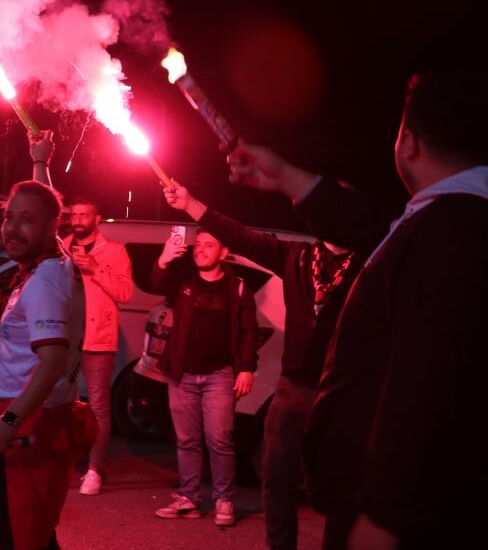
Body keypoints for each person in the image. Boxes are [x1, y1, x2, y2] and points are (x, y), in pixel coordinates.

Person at [227, 73, 488, 549]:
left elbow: (425, 377)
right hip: (448, 497)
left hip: (422, 514)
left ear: (407, 141)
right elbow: (378, 225)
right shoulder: (477, 219)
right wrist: (287, 178)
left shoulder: (450, 232)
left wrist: (385, 512)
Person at [162, 181, 358, 548]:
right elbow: (240, 236)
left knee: (339, 484)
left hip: (345, 391)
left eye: (338, 208)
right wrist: (191, 204)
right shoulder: (297, 257)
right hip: (295, 386)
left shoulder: (368, 262)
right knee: (277, 476)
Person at [0, 179, 91, 550]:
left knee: (21, 537)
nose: (12, 228)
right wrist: (40, 162)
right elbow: (46, 205)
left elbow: (51, 364)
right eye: (8, 217)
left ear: (52, 226)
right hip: (36, 417)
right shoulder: (56, 261)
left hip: (28, 426)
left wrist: (8, 423)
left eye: (25, 220)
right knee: (37, 534)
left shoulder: (42, 283)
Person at [151, 228, 258, 527]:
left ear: (223, 253)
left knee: (220, 440)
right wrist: (163, 259)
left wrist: (247, 367)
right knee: (187, 440)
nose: (201, 250)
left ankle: (225, 500)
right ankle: (190, 498)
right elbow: (158, 283)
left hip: (219, 375)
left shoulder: (237, 287)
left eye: (209, 245)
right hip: (182, 372)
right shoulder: (183, 280)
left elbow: (248, 330)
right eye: (198, 245)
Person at [60, 196, 133, 495]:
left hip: (98, 338)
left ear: (97, 219)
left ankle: (94, 469)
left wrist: (95, 268)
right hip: (65, 340)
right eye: (74, 215)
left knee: (98, 406)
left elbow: (126, 293)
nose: (78, 220)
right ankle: (64, 462)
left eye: (84, 215)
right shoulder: (60, 247)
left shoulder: (114, 251)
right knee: (63, 405)